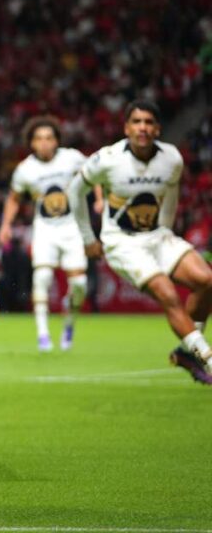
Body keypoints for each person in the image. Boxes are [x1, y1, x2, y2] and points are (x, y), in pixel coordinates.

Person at [69, 100, 212, 384]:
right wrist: (88, 238)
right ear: (126, 128)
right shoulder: (107, 159)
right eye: (137, 122)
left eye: (148, 122)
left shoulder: (172, 158)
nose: (143, 128)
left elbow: (171, 193)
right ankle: (207, 358)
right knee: (168, 294)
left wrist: (166, 231)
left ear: (157, 128)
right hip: (122, 243)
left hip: (158, 237)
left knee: (206, 280)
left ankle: (187, 352)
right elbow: (75, 191)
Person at [0, 116, 98, 352]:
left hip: (72, 227)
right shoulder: (25, 169)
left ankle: (69, 324)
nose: (44, 143)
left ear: (56, 141)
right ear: (31, 143)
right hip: (44, 229)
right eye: (39, 139)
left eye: (49, 138)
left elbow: (95, 175)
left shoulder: (71, 158)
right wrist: (5, 225)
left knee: (80, 284)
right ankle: (43, 335)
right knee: (42, 278)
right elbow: (14, 198)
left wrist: (100, 200)